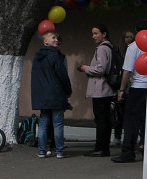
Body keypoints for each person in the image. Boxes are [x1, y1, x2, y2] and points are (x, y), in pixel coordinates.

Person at [78, 24, 118, 156]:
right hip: (107, 89)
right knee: (105, 119)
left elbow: (101, 69)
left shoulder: (102, 49)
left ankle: (100, 148)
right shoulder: (110, 47)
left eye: (96, 33)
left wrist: (86, 68)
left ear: (104, 34)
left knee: (101, 120)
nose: (93, 36)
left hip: (100, 89)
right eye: (93, 33)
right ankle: (103, 147)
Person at [31, 30, 72, 158]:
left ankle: (42, 150)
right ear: (46, 41)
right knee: (58, 123)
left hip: (42, 95)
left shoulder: (37, 57)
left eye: (56, 38)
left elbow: (35, 78)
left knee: (43, 122)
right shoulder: (54, 55)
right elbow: (62, 75)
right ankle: (59, 150)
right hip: (55, 94)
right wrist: (68, 90)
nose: (56, 40)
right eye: (53, 38)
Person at [112, 35, 147, 164]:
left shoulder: (134, 47)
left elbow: (127, 70)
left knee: (131, 121)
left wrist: (122, 89)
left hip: (137, 87)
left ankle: (128, 151)